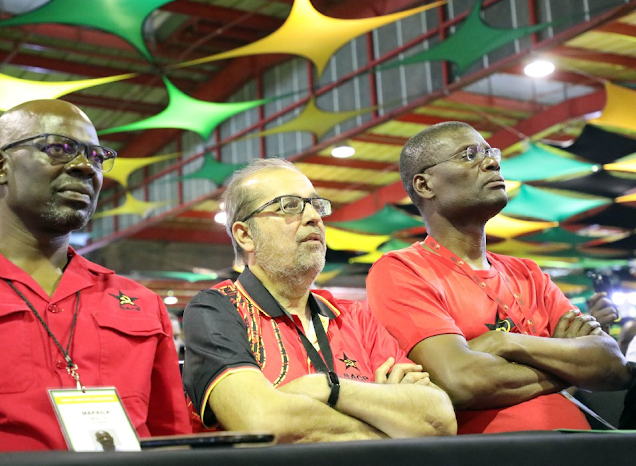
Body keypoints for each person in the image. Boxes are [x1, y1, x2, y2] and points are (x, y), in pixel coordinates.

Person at [0, 100, 189, 458]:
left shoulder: (141, 303)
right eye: (59, 148)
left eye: (95, 156)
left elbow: (174, 445)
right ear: (0, 167)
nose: (84, 167)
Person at [366, 121, 632, 434]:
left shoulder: (528, 273)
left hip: (583, 450)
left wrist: (505, 341)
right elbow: (459, 381)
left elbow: (612, 366)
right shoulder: (401, 270)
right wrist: (565, 362)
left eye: (491, 153)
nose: (492, 162)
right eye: (469, 155)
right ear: (425, 185)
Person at [182, 158, 456, 443]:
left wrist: (327, 387)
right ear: (245, 235)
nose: (314, 216)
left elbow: (440, 419)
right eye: (289, 205)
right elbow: (261, 422)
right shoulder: (217, 309)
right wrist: (387, 420)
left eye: (315, 204)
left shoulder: (353, 316)